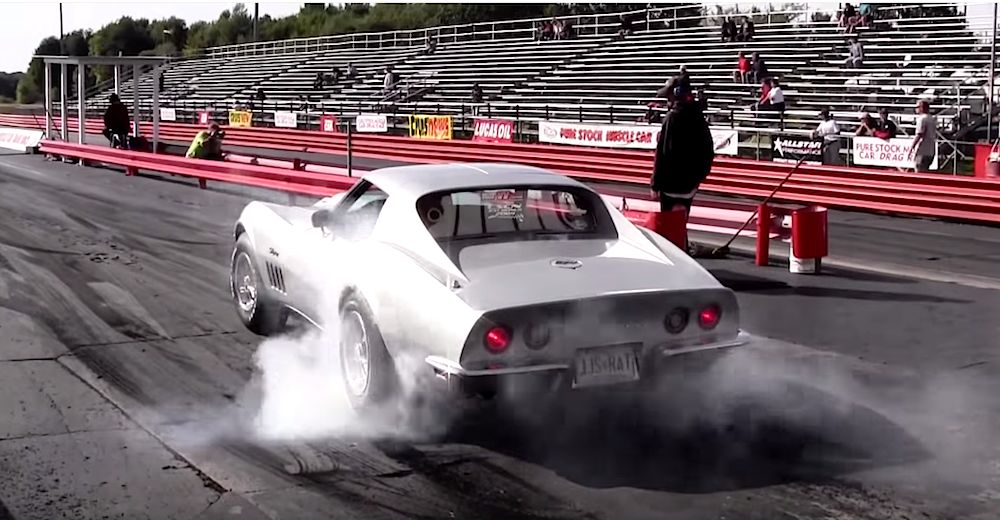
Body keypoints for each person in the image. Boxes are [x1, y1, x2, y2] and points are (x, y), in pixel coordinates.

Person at [650, 85, 714, 222]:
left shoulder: (671, 118)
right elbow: (708, 150)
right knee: (682, 223)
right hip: (689, 185)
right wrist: (699, 177)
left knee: (668, 226)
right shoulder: (698, 118)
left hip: (670, 184)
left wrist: (655, 184)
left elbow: (662, 153)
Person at [910, 99, 936, 172]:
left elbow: (919, 134)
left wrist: (912, 146)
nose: (916, 109)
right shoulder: (932, 118)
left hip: (922, 150)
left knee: (919, 170)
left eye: (917, 107)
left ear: (922, 108)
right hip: (931, 150)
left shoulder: (922, 119)